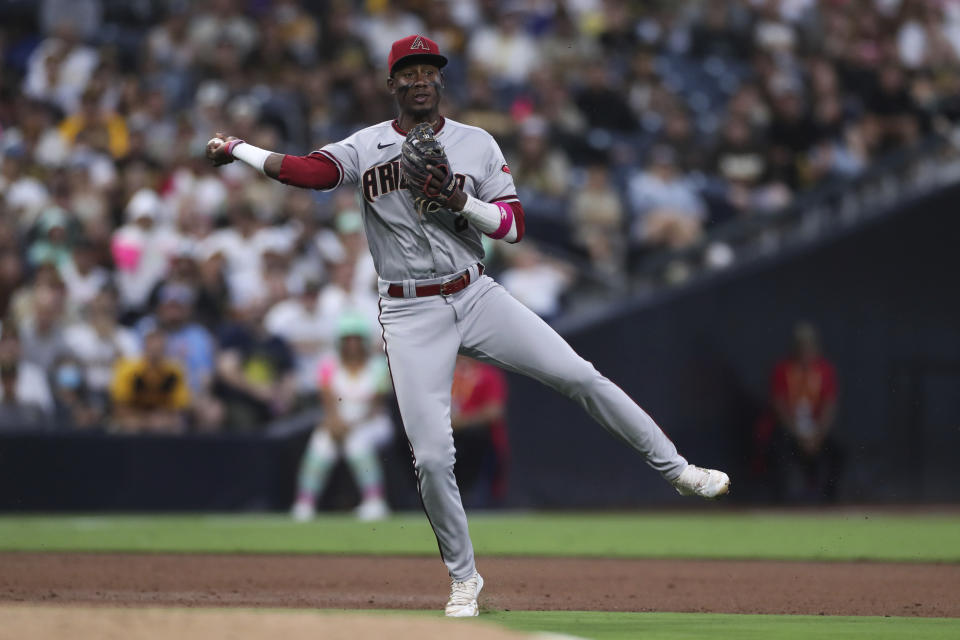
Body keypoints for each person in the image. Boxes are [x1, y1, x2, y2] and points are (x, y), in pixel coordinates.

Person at [207, 34, 729, 618]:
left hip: (474, 291)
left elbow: (512, 227)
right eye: (409, 71)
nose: (421, 78)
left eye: (430, 68)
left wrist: (461, 201)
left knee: (579, 375)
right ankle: (464, 579)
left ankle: (678, 470)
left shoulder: (476, 142)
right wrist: (239, 149)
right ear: (393, 84)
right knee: (431, 456)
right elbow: (306, 172)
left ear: (441, 80)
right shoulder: (367, 144)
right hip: (408, 310)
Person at [291, 311, 393, 522]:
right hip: (338, 420)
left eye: (356, 339)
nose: (352, 344)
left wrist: (350, 425)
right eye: (348, 339)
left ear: (363, 341)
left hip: (372, 422)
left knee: (357, 442)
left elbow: (376, 406)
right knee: (321, 442)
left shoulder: (378, 366)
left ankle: (375, 501)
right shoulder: (329, 365)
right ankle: (305, 502)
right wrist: (334, 423)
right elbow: (328, 403)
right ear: (341, 342)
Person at [768, 322, 844, 502]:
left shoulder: (824, 370)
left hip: (817, 431)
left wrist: (818, 435)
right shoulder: (783, 369)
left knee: (839, 450)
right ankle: (782, 501)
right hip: (791, 429)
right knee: (777, 448)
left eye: (809, 345)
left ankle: (828, 500)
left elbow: (829, 404)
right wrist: (797, 434)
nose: (805, 350)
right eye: (801, 345)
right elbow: (779, 405)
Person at [450, 355, 509, 508]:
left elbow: (494, 411)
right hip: (449, 440)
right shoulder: (447, 373)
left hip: (479, 443)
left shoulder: (488, 375)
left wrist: (461, 421)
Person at [108, 328, 190, 434]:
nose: (155, 351)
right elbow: (119, 405)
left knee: (176, 424)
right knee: (130, 425)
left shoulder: (174, 371)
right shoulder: (128, 369)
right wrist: (146, 419)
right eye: (152, 347)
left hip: (162, 416)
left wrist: (161, 417)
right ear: (144, 347)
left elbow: (179, 407)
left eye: (159, 348)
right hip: (134, 415)